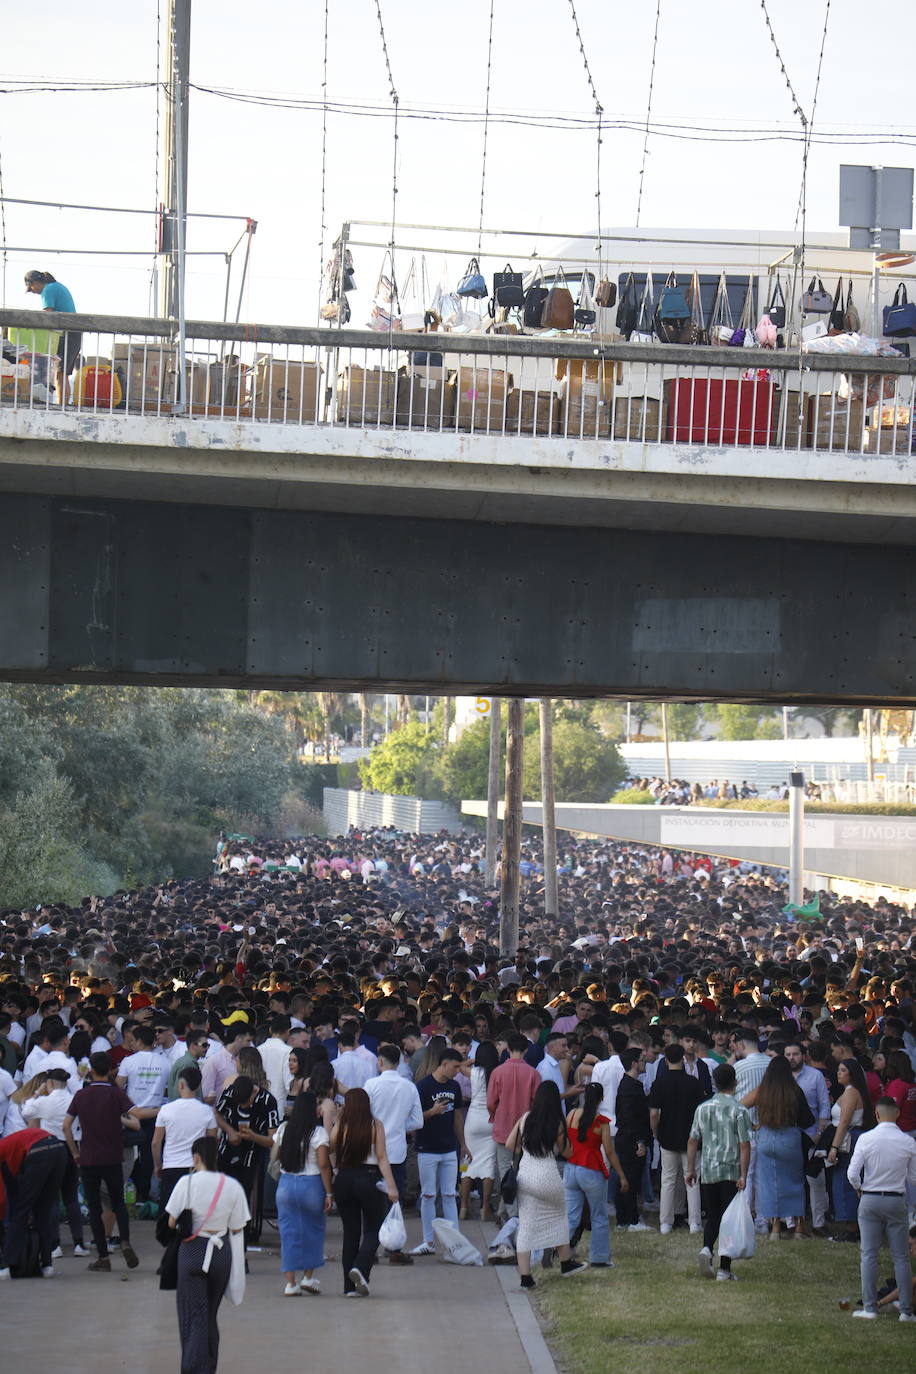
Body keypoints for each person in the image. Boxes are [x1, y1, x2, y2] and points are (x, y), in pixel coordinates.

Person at [166, 1135, 249, 1374]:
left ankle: (193, 1367)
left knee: (194, 1316)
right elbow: (237, 1227)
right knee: (209, 1314)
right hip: (221, 1253)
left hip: (192, 1251)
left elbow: (171, 1222)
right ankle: (208, 1367)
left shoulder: (186, 1183)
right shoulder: (232, 1185)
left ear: (196, 1157)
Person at [63, 1050, 140, 1272]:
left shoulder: (81, 1095)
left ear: (90, 1070)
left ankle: (103, 1257)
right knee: (118, 1203)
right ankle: (124, 1240)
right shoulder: (116, 1094)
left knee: (94, 1207)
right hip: (113, 1157)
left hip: (88, 1158)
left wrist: (74, 1151)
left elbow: (66, 1125)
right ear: (110, 1070)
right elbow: (135, 1115)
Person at [506, 1081, 588, 1288]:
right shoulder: (558, 1123)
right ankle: (565, 1262)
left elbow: (509, 1144)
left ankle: (526, 1277)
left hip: (525, 1177)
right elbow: (567, 1152)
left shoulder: (525, 1118)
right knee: (559, 1217)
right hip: (548, 1175)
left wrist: (526, 1153)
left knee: (526, 1225)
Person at [846, 1097, 916, 1321]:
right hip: (896, 1199)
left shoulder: (866, 1138)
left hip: (870, 1198)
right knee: (901, 1257)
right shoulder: (907, 1142)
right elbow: (913, 1176)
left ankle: (869, 1308)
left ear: (876, 1114)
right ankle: (905, 1310)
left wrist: (859, 1188)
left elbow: (852, 1174)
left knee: (869, 1254)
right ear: (897, 1114)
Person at [329, 1086, 399, 1296]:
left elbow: (331, 1146)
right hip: (368, 1178)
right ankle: (360, 1267)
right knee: (374, 1228)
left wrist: (338, 1120)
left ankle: (349, 1287)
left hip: (344, 1178)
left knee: (350, 1233)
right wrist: (392, 1186)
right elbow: (381, 1157)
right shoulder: (374, 1124)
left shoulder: (341, 1126)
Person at [686, 1062, 752, 1282]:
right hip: (731, 1170)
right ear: (735, 1082)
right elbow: (744, 1145)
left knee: (713, 1215)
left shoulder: (702, 1108)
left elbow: (693, 1140)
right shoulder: (739, 1110)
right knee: (729, 1220)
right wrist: (744, 1174)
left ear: (714, 1083)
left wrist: (690, 1169)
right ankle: (724, 1268)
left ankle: (706, 1247)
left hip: (709, 1169)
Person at [364, 1043, 423, 1263]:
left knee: (370, 1203)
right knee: (393, 1200)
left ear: (380, 1062)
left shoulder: (371, 1084)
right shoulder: (409, 1087)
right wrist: (399, 1125)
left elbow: (364, 1115)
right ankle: (393, 1247)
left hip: (371, 1152)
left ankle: (369, 1249)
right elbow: (418, 1121)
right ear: (399, 1063)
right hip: (397, 1151)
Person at [21, 1067, 88, 1256]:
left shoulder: (43, 1100)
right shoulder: (73, 1099)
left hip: (50, 1148)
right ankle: (79, 1244)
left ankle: (55, 1245)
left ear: (49, 1083)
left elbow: (26, 1112)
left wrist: (36, 1092)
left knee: (51, 1198)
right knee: (71, 1198)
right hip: (72, 1147)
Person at [411, 1047, 471, 1256]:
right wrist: (432, 1112)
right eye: (455, 1067)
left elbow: (456, 1117)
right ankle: (429, 1241)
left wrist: (463, 1143)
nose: (457, 1071)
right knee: (428, 1194)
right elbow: (415, 1119)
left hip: (448, 1148)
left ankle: (455, 1243)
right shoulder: (424, 1086)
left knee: (448, 1193)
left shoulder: (454, 1086)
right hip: (427, 1147)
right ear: (444, 1064)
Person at [270, 1091, 331, 1295]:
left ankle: (290, 1283)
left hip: (286, 1184)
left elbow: (275, 1155)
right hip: (311, 1184)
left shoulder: (284, 1129)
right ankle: (308, 1277)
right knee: (313, 1231)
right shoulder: (318, 1133)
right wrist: (329, 1193)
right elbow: (323, 1164)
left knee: (288, 1233)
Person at [746, 1055, 814, 1239]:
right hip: (790, 1138)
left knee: (769, 1183)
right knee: (796, 1182)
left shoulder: (763, 1091)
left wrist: (754, 1125)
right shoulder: (794, 1090)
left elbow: (740, 1106)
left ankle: (775, 1227)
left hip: (766, 1137)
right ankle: (799, 1227)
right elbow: (808, 1120)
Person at [564, 1081, 627, 1267]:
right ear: (601, 1099)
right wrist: (622, 1175)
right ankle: (599, 1257)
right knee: (598, 1215)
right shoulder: (601, 1122)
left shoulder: (572, 1115)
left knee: (570, 1215)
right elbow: (609, 1152)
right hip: (591, 1169)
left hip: (571, 1167)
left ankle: (559, 1251)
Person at [214, 1074, 278, 1246]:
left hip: (251, 1156)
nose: (244, 1107)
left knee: (243, 1195)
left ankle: (242, 1236)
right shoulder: (229, 1093)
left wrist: (254, 1137)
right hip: (227, 1152)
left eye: (246, 1103)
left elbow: (273, 1140)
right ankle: (222, 1232)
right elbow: (216, 1113)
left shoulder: (268, 1101)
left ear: (253, 1093)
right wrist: (229, 1130)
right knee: (223, 1193)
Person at [648, 1043, 704, 1235]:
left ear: (665, 1061)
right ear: (683, 1059)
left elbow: (654, 1114)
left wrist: (656, 1132)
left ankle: (665, 1222)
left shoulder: (659, 1083)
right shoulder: (694, 1083)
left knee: (668, 1180)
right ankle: (695, 1223)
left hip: (667, 1136)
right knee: (693, 1179)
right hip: (692, 1137)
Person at [0, 1127, 68, 1278]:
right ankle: (47, 1265)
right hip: (60, 1149)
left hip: (39, 1152)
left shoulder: (2, 1152)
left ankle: (5, 1267)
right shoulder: (9, 1144)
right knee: (43, 1211)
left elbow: (4, 1199)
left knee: (20, 1212)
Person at [487, 1031, 540, 1219]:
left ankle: (513, 1214)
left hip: (502, 1127)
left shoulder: (498, 1072)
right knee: (520, 1171)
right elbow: (536, 1103)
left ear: (508, 1048)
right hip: (525, 1129)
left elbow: (491, 1102)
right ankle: (505, 1210)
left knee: (505, 1172)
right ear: (526, 1049)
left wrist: (496, 1114)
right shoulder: (533, 1073)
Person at [153, 1065, 218, 1211]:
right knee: (194, 1212)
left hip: (171, 1166)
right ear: (198, 1086)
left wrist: (158, 1165)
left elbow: (156, 1142)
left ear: (181, 1084)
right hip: (197, 1168)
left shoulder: (166, 1110)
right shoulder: (207, 1111)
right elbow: (212, 1142)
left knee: (169, 1212)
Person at [827, 1057, 876, 1242]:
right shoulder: (852, 1091)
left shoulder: (851, 1093)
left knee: (845, 1182)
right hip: (851, 1137)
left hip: (849, 1139)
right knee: (845, 1181)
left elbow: (845, 1121)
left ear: (852, 1074)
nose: (839, 1073)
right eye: (838, 1070)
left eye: (843, 1070)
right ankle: (852, 1226)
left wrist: (834, 1147)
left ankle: (852, 1228)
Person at [24, 270, 80, 405]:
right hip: (73, 333)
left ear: (34, 283)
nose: (34, 292)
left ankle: (61, 406)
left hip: (67, 333)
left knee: (60, 374)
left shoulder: (48, 289)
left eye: (32, 289)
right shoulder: (56, 286)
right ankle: (62, 404)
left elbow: (46, 315)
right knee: (62, 374)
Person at [460, 1040, 499, 1221]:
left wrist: (474, 1059)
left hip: (473, 1120)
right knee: (488, 1165)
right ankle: (485, 1208)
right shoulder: (497, 1074)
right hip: (491, 1120)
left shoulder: (474, 1072)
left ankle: (464, 1207)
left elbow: (460, 1066)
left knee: (467, 1164)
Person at [614, 1047, 652, 1231]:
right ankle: (631, 1219)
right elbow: (629, 1116)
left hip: (627, 1138)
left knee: (629, 1178)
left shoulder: (629, 1085)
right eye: (642, 1060)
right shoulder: (630, 1087)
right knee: (631, 1178)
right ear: (634, 1063)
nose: (645, 1063)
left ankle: (625, 1218)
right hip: (630, 1140)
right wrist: (639, 1141)